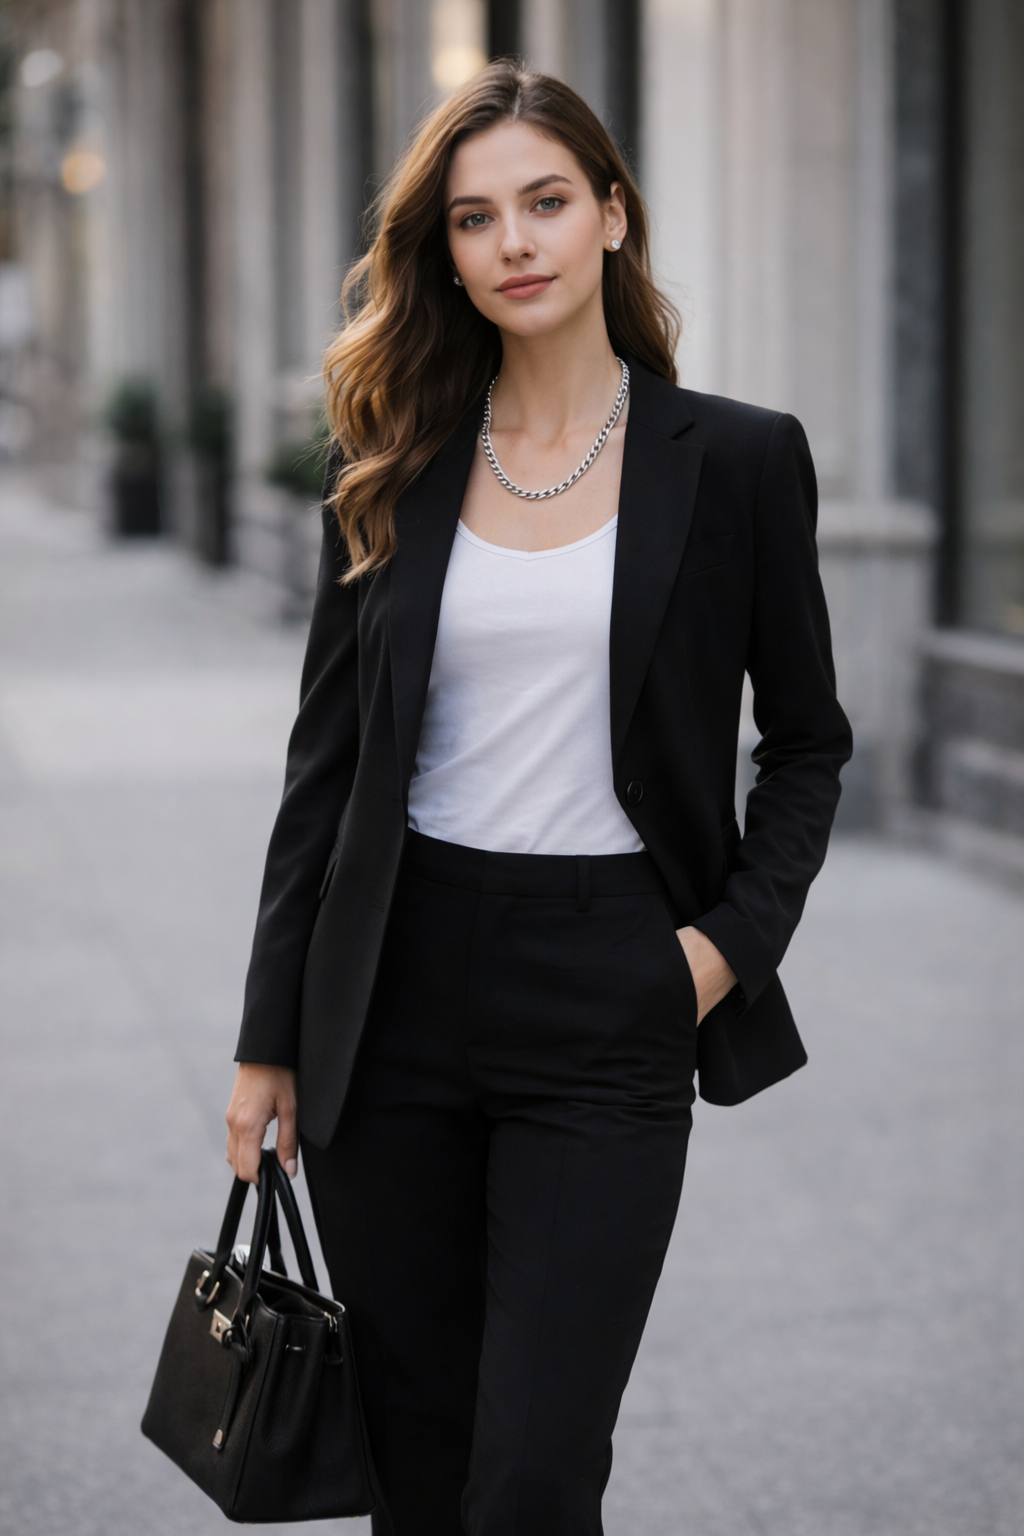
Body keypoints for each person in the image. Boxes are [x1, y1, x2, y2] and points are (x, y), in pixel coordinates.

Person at [224, 62, 852, 1536]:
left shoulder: (741, 462)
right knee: (420, 1469)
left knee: (534, 1477)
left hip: (612, 989)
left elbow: (810, 743)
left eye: (548, 202)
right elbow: (324, 773)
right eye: (475, 216)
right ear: (443, 250)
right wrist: (269, 1041)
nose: (515, 241)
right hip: (392, 994)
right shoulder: (393, 459)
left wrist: (716, 952)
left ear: (614, 217)